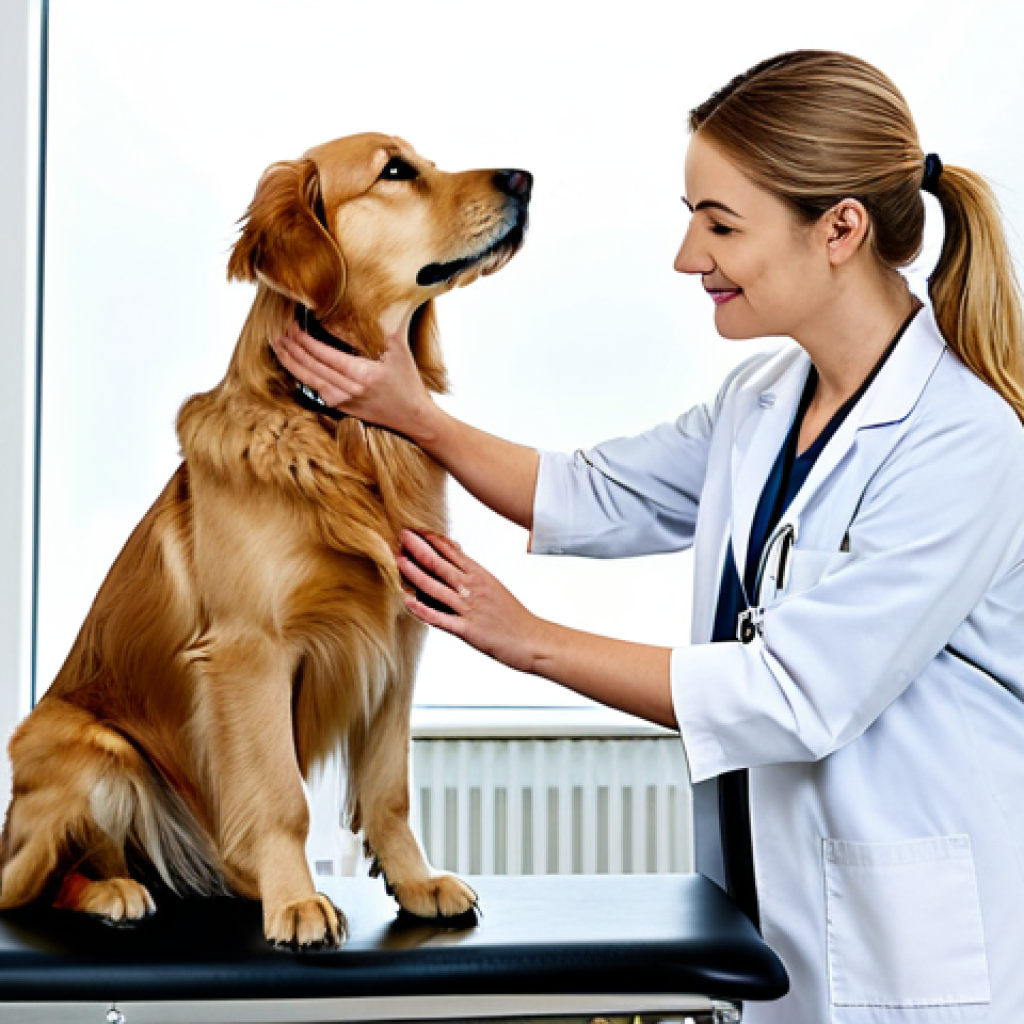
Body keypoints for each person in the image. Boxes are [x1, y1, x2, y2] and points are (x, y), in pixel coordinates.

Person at [273, 50, 1024, 1024]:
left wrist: (526, 639)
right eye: (689, 217)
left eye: (719, 224)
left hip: (914, 952)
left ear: (839, 229)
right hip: (774, 913)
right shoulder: (763, 400)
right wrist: (416, 414)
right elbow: (592, 492)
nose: (686, 257)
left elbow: (794, 695)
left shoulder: (960, 441)